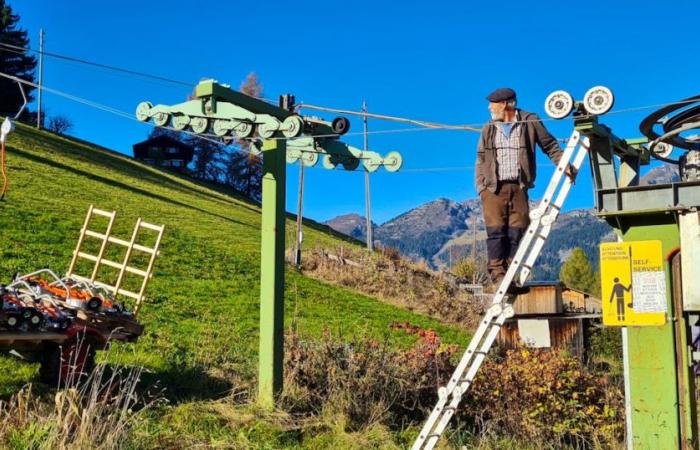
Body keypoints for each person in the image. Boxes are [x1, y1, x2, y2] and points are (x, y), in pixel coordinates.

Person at [475, 87, 576, 292]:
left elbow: (549, 145)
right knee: (496, 232)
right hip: (493, 189)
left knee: (518, 230)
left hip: (519, 187)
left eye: (492, 103)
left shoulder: (529, 120)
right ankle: (498, 275)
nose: (489, 107)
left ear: (504, 104)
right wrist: (481, 187)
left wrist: (563, 164)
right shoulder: (488, 128)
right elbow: (481, 158)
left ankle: (510, 276)